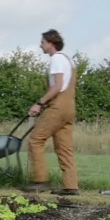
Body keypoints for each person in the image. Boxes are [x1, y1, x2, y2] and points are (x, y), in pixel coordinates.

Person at [26, 29, 79, 195]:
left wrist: (39, 103)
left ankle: (41, 181)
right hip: (69, 107)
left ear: (51, 43)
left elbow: (57, 86)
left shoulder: (56, 59)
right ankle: (71, 186)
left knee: (35, 140)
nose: (40, 45)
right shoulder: (67, 60)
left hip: (58, 106)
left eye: (42, 42)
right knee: (64, 147)